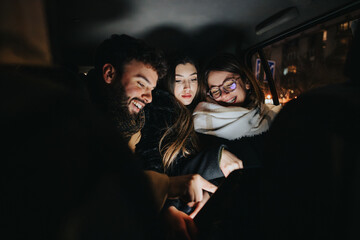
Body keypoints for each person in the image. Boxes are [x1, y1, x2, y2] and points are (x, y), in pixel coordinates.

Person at [85, 34, 217, 220]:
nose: (149, 98)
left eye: (152, 90)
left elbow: (151, 165)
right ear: (109, 74)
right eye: (141, 84)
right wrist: (168, 188)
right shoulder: (74, 117)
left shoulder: (135, 122)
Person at [193, 53, 282, 168]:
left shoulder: (274, 116)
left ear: (247, 83)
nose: (224, 94)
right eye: (215, 91)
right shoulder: (203, 128)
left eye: (229, 84)